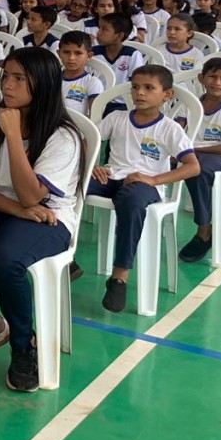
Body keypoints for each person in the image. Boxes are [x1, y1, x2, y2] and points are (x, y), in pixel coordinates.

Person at [0, 49, 85, 391]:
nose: (7, 85)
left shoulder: (63, 135)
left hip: (49, 218)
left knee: (4, 263)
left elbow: (32, 197)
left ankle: (24, 344)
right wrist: (15, 209)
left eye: (19, 79)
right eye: (6, 76)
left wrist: (12, 135)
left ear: (43, 85)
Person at [89, 65, 200, 312]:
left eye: (149, 88)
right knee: (72, 186)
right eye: (136, 87)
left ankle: (119, 276)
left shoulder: (170, 128)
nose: (140, 93)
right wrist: (94, 165)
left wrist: (153, 180)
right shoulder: (116, 118)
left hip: (145, 185)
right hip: (111, 176)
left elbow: (192, 167)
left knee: (131, 201)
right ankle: (68, 257)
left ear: (167, 95)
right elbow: (89, 140)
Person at [177, 57, 221, 263]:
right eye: (212, 77)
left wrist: (192, 149)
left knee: (197, 169)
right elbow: (176, 132)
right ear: (201, 78)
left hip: (219, 156)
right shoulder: (189, 104)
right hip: (189, 152)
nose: (217, 82)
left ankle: (203, 230)